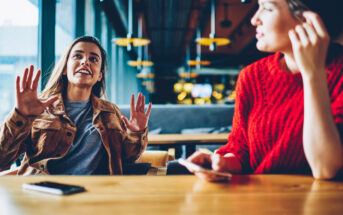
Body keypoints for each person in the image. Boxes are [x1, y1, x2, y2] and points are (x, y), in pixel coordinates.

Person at [185, 0, 343, 181]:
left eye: (267, 8)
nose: (254, 19)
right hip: (261, 202)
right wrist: (222, 162)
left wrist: (313, 74)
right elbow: (241, 149)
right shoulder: (252, 76)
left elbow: (326, 168)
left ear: (307, 20)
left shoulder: (339, 72)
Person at [0, 36, 152, 175]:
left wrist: (136, 133)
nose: (85, 61)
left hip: (95, 196)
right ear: (65, 69)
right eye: (78, 56)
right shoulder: (39, 108)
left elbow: (126, 160)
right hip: (41, 195)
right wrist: (21, 116)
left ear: (100, 75)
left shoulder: (110, 112)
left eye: (93, 59)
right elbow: (2, 159)